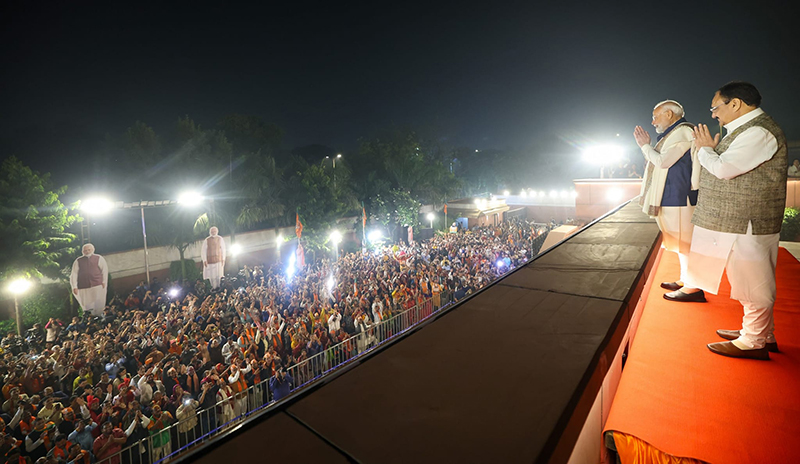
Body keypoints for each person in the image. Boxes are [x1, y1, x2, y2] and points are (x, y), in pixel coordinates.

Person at [683, 81, 788, 360]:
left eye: (715, 107)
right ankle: (761, 333)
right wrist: (708, 150)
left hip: (748, 221)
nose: (713, 114)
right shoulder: (747, 130)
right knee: (746, 279)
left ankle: (753, 341)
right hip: (740, 220)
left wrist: (705, 150)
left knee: (753, 281)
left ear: (736, 104)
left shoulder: (758, 132)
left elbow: (724, 169)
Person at [634, 100, 704, 300]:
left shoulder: (682, 132)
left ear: (669, 115)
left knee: (686, 242)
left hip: (679, 195)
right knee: (681, 241)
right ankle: (686, 279)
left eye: (655, 116)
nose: (653, 121)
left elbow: (663, 161)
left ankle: (693, 288)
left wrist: (645, 146)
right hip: (673, 194)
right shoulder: (675, 133)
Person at [69, 243, 108, 317]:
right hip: (83, 287)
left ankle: (99, 316)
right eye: (85, 250)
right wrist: (74, 287)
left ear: (93, 250)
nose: (87, 252)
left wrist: (104, 282)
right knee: (87, 305)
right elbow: (74, 274)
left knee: (98, 303)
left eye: (89, 250)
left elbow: (104, 271)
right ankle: (90, 318)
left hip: (97, 284)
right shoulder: (78, 261)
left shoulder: (99, 258)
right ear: (82, 251)